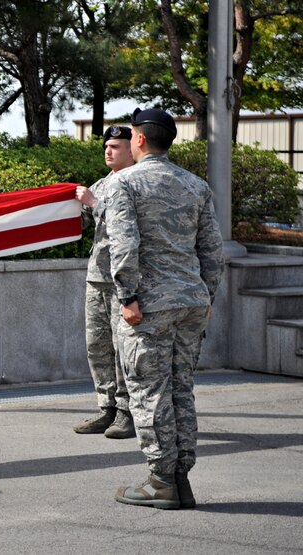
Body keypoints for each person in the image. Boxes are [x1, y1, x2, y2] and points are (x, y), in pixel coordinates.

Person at [106, 108, 224, 510]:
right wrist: (206, 296)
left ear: (138, 139)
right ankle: (181, 479)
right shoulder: (196, 185)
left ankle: (161, 480)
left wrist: (127, 298)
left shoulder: (126, 183)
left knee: (149, 391)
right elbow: (212, 250)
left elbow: (124, 247)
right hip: (191, 301)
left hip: (150, 307)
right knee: (180, 390)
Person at [72, 126, 136, 439]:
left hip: (122, 280)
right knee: (97, 345)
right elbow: (87, 223)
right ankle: (106, 407)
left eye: (115, 146)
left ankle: (126, 412)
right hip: (97, 276)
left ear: (132, 148)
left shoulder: (136, 182)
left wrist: (94, 204)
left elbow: (125, 224)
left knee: (122, 346)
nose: (108, 151)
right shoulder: (101, 183)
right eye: (106, 146)